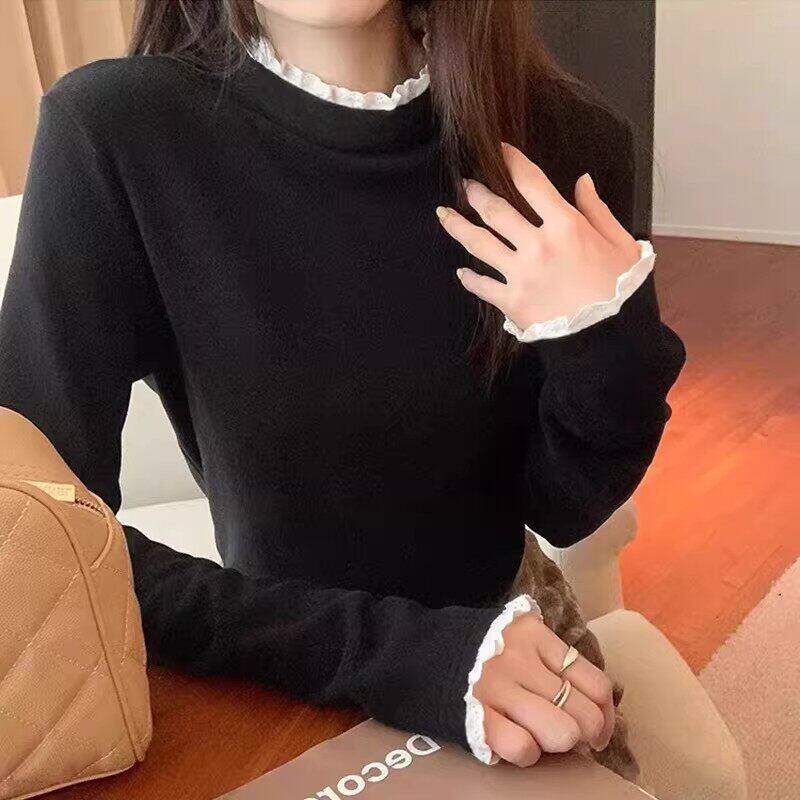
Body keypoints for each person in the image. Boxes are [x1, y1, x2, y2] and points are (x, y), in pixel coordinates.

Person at [0, 0, 685, 770]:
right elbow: (36, 555)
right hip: (274, 668)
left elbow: (562, 505)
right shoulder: (116, 134)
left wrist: (605, 336)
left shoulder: (568, 137)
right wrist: (399, 653)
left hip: (513, 642)